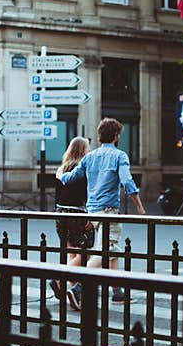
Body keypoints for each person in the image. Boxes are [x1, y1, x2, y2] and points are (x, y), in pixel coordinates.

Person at [58, 117, 146, 309]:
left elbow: (71, 178)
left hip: (92, 212)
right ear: (116, 136)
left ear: (99, 136)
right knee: (107, 250)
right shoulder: (120, 156)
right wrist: (139, 206)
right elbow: (127, 181)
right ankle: (77, 288)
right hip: (108, 211)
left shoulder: (90, 157)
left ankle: (117, 293)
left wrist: (61, 176)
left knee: (111, 250)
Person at [51, 137, 91, 308]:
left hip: (61, 214)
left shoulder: (61, 169)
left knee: (72, 254)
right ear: (83, 150)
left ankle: (75, 294)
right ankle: (60, 279)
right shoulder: (81, 169)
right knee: (85, 253)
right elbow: (85, 195)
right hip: (77, 214)